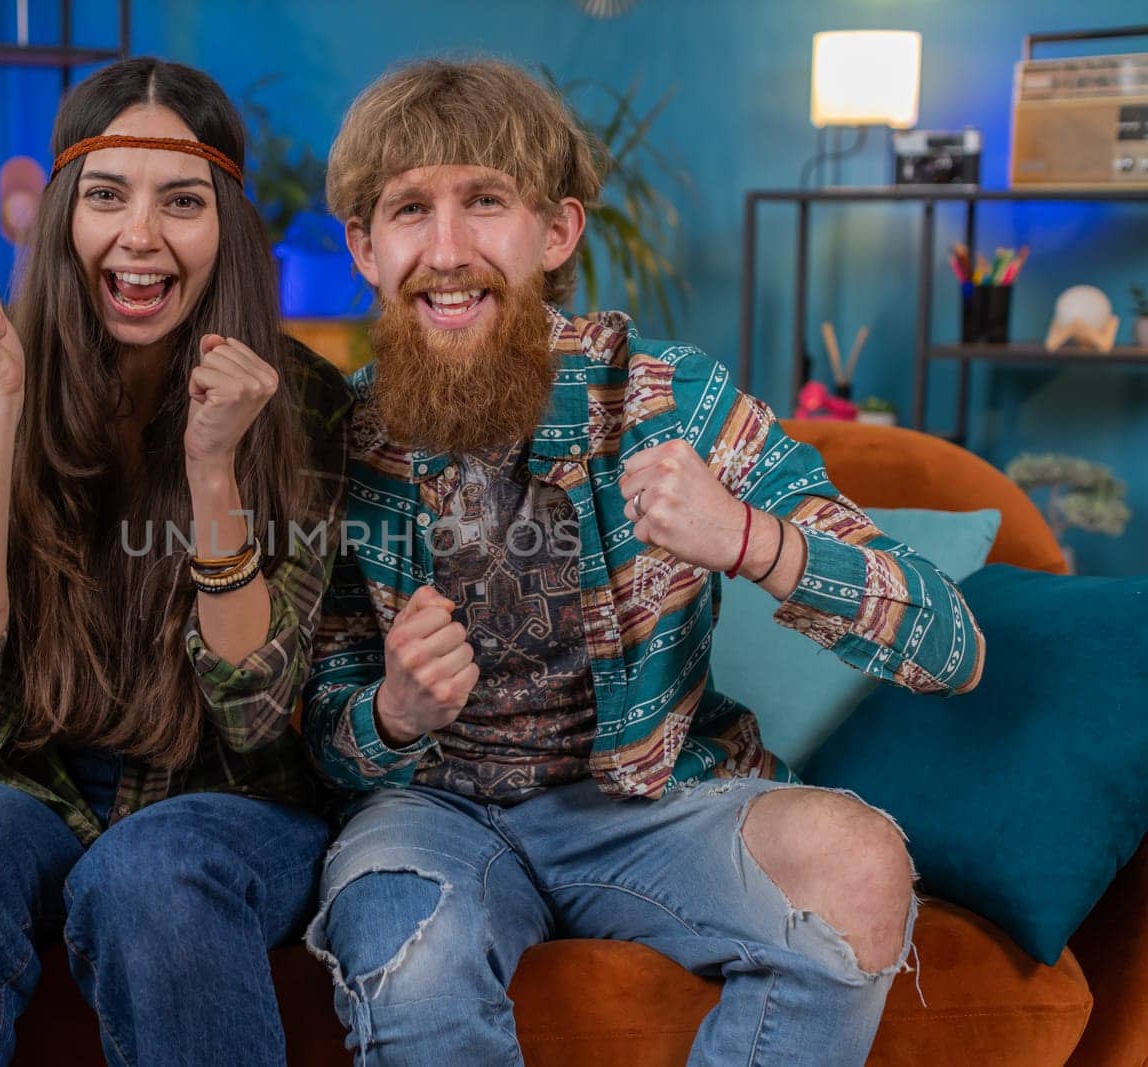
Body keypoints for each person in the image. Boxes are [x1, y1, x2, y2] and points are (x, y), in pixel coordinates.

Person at [301, 59, 986, 1066]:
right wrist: (394, 709)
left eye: (484, 201)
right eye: (409, 211)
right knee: (407, 957)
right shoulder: (330, 440)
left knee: (860, 862)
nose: (446, 252)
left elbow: (949, 645)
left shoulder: (672, 402)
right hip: (427, 814)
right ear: (364, 245)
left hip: (656, 807)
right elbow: (313, 738)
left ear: (558, 230)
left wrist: (753, 540)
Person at [0, 57, 352, 1067]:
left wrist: (214, 466)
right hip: (20, 780)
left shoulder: (307, 404)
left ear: (229, 228)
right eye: (107, 195)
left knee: (150, 870)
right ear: (66, 214)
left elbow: (251, 703)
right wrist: (0, 407)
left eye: (183, 202)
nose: (140, 235)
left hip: (230, 804)